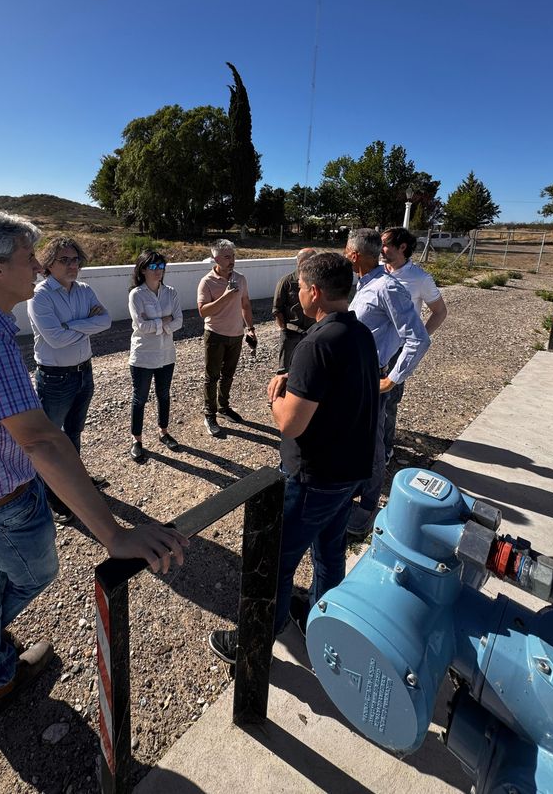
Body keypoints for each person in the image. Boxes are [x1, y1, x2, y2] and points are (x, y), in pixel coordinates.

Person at [0, 208, 187, 732]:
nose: (39, 268)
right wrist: (114, 534)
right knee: (37, 573)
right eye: (28, 258)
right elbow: (43, 439)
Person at [208, 253, 379, 663]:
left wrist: (275, 392)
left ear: (315, 292)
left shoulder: (315, 343)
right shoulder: (359, 334)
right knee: (328, 553)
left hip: (313, 478)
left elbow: (290, 424)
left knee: (276, 560)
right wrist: (299, 384)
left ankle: (255, 643)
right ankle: (324, 627)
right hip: (349, 473)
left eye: (301, 287)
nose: (297, 293)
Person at [344, 228, 431, 538]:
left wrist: (392, 379)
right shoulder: (365, 283)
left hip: (373, 376)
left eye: (345, 250)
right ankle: (355, 488)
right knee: (356, 438)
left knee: (374, 443)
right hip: (356, 376)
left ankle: (368, 504)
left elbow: (418, 338)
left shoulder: (386, 288)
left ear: (353, 255)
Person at [27, 236, 111, 524]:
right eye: (65, 260)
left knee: (73, 433)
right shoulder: (40, 296)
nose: (73, 265)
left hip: (83, 372)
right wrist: (86, 325)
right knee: (50, 441)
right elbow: (55, 339)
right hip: (55, 377)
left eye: (75, 259)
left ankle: (76, 483)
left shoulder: (84, 290)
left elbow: (107, 321)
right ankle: (54, 497)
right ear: (49, 263)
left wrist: (71, 325)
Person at [380, 227, 448, 463]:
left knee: (388, 401)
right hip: (373, 348)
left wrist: (419, 338)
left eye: (386, 244)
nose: (381, 248)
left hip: (397, 351)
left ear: (402, 248)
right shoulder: (377, 272)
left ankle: (385, 449)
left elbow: (440, 312)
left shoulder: (420, 279)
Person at [128, 250, 183, 462]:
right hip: (143, 355)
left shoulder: (171, 292)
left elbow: (179, 321)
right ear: (142, 269)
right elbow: (140, 326)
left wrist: (157, 324)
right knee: (139, 398)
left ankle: (164, 431)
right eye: (153, 267)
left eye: (161, 267)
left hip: (166, 355)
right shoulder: (136, 295)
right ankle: (137, 439)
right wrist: (165, 321)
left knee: (164, 394)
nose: (158, 271)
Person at [197, 239, 255, 437]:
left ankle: (223, 407)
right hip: (214, 334)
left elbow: (245, 304)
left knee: (228, 375)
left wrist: (250, 328)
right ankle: (209, 414)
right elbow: (203, 312)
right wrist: (226, 296)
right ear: (216, 258)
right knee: (211, 377)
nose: (232, 260)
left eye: (233, 256)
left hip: (236, 335)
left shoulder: (241, 278)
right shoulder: (207, 281)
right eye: (227, 257)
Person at [271, 248, 317, 374]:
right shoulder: (286, 281)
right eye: (313, 260)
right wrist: (284, 329)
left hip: (311, 332)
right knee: (285, 370)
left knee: (308, 367)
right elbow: (277, 309)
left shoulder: (316, 282)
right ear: (301, 262)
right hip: (291, 333)